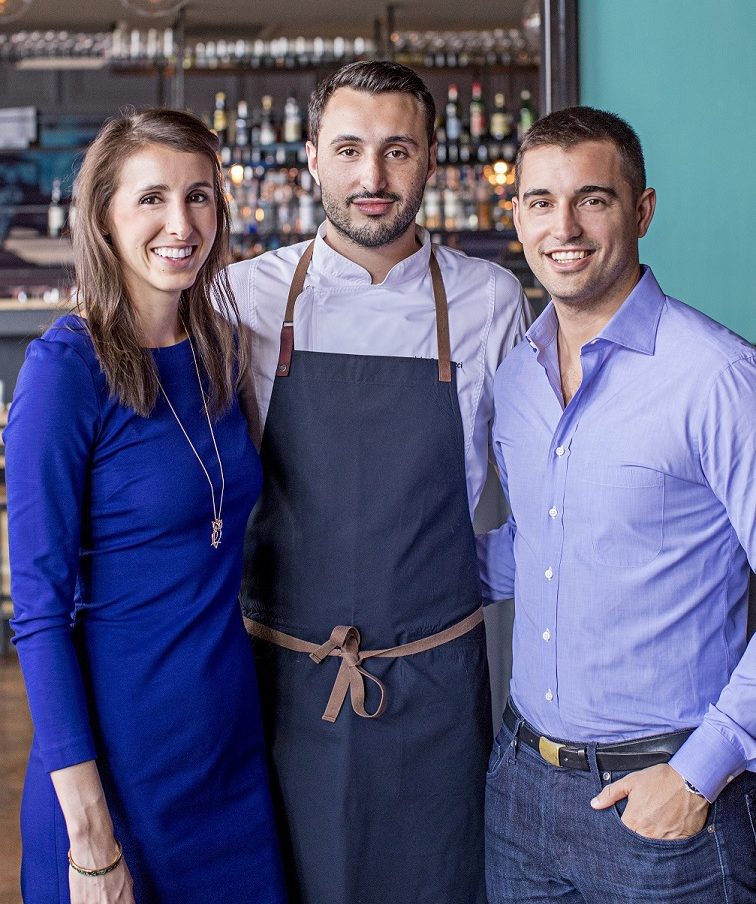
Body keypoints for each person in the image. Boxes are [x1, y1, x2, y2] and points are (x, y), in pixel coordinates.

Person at [226, 60, 530, 904]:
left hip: (433, 688)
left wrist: (472, 585)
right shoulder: (242, 298)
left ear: (432, 159)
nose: (373, 177)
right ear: (312, 160)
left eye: (398, 151)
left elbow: (548, 490)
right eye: (350, 149)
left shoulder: (490, 300)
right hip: (278, 681)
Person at [4, 109, 285, 904]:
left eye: (200, 197)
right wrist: (91, 840)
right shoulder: (66, 370)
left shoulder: (223, 353)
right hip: (116, 772)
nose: (181, 223)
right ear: (103, 217)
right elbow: (38, 612)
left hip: (228, 751)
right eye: (152, 198)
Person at [480, 105, 756, 903]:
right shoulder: (517, 377)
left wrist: (702, 772)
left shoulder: (718, 378)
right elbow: (536, 547)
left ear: (641, 210)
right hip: (521, 789)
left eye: (592, 199)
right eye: (539, 202)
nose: (562, 226)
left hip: (670, 802)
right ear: (518, 216)